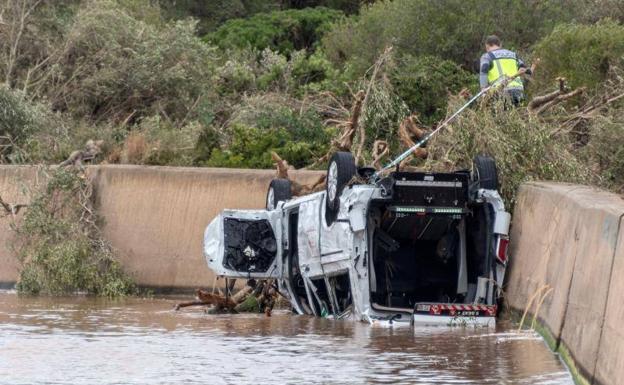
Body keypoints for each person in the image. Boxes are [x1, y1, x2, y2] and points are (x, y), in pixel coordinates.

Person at [479, 35, 530, 106]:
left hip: (499, 91)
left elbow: (483, 72)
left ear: (487, 46)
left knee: (499, 116)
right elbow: (525, 69)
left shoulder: (487, 56)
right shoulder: (513, 55)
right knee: (518, 114)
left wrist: (483, 92)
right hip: (518, 90)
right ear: (500, 44)